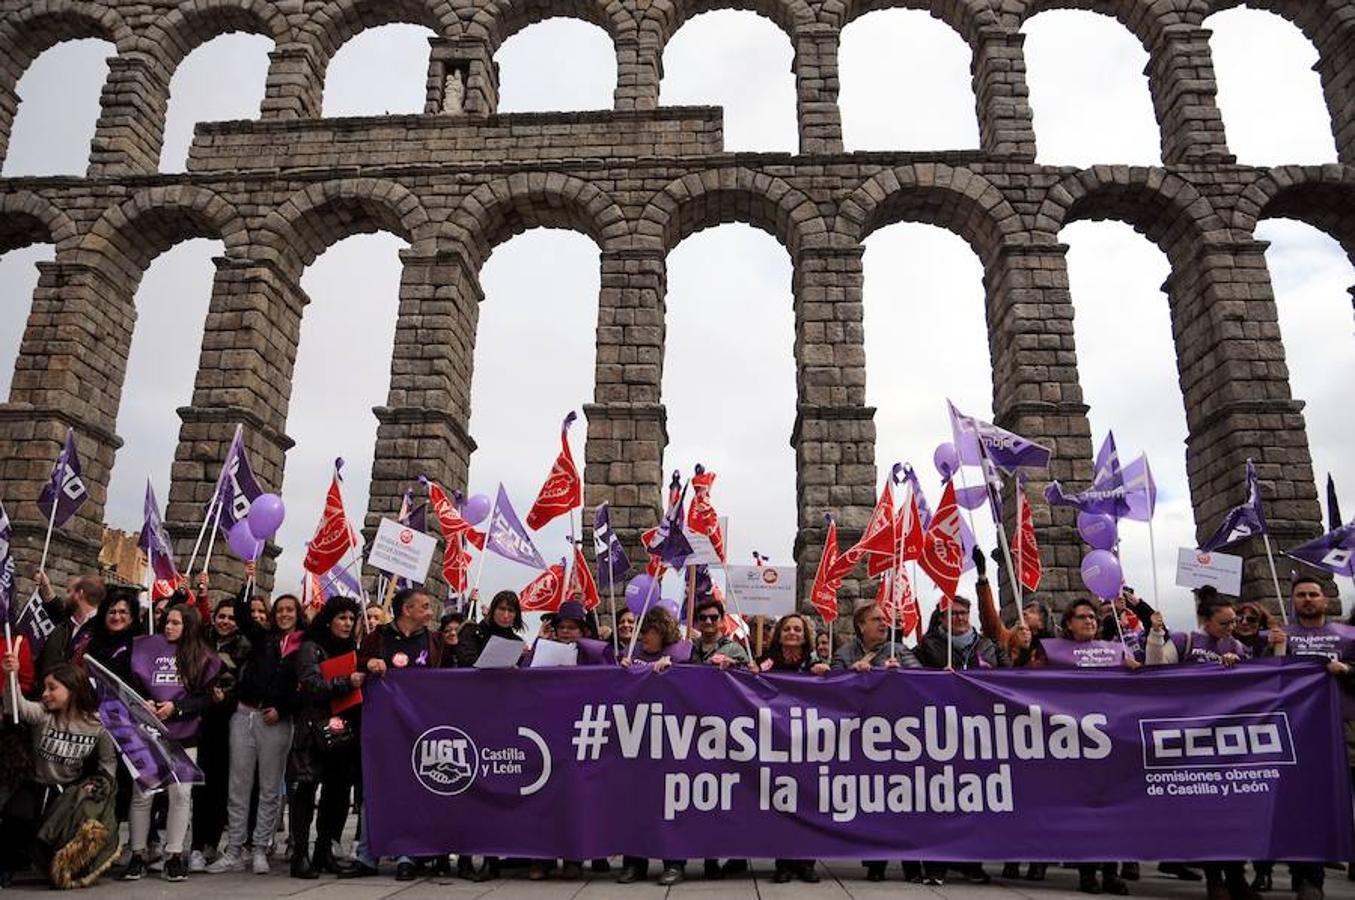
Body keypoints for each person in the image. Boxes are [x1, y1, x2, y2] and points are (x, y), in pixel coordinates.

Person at [208, 573, 302, 877]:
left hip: (276, 721)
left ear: (298, 614)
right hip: (244, 715)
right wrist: (247, 582)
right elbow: (241, 611)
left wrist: (283, 707)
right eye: (281, 610)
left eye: (291, 610)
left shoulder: (305, 645)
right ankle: (235, 848)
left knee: (269, 789)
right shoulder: (263, 637)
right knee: (239, 786)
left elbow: (305, 687)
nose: (285, 614)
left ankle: (261, 847)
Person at [122, 603, 221, 883]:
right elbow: (134, 685)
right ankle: (138, 854)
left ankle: (175, 854)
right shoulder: (146, 648)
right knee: (142, 795)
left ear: (188, 625)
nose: (168, 626)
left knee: (181, 795)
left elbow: (205, 698)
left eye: (176, 623)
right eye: (167, 621)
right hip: (148, 733)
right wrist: (147, 701)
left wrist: (177, 708)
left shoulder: (202, 656)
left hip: (184, 734)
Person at [352, 588, 444, 881]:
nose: (430, 612)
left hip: (418, 725)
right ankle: (367, 855)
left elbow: (448, 673)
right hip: (382, 722)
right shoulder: (378, 636)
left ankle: (407, 854)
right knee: (375, 787)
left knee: (413, 788)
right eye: (425, 606)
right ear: (407, 609)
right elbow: (358, 660)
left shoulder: (434, 639)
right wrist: (369, 664)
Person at [0, 657, 117, 888]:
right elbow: (17, 707)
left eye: (52, 688)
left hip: (68, 791)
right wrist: (11, 676)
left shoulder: (97, 724)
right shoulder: (43, 714)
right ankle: (6, 865)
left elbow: (108, 761)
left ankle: (49, 863)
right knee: (16, 818)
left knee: (60, 833)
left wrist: (101, 782)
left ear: (73, 690)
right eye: (45, 687)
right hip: (35, 784)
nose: (45, 693)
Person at [1277, 575, 1355, 900]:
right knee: (1306, 806)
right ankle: (1309, 879)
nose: (1307, 599)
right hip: (1298, 731)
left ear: (1324, 600)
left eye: (1313, 594)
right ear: (1293, 601)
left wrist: (1347, 671)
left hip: (1345, 729)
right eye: (1301, 595)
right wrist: (1276, 650)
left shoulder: (1348, 636)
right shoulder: (1282, 636)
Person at [287, 597, 364, 881]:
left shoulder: (351, 649)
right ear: (329, 619)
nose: (347, 623)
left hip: (342, 730)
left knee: (337, 794)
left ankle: (324, 850)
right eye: (341, 618)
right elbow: (312, 686)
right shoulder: (310, 647)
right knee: (306, 792)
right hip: (313, 730)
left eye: (350, 619)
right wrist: (348, 683)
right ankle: (300, 855)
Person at [616, 605, 690, 886]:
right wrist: (621, 669)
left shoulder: (680, 653)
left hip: (671, 740)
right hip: (636, 740)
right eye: (641, 631)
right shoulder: (631, 655)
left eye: (649, 631)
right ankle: (634, 862)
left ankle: (674, 861)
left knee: (671, 803)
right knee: (634, 804)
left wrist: (673, 669)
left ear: (662, 632)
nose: (643, 636)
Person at [755, 613, 824, 884]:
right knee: (780, 803)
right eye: (787, 629)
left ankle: (806, 863)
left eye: (797, 629)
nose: (792, 633)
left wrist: (823, 674)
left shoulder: (815, 662)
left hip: (807, 742)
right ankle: (783, 862)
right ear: (779, 633)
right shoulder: (766, 661)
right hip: (775, 741)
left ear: (805, 634)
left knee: (807, 802)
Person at [190, 597, 248, 872]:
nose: (225, 621)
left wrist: (226, 698)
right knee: (199, 788)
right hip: (197, 720)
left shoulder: (245, 646)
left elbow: (247, 685)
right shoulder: (201, 641)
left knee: (219, 787)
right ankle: (196, 846)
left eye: (232, 617)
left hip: (227, 722)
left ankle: (210, 844)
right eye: (221, 616)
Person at [1145, 588, 1249, 667]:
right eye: (1223, 623)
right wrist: (1155, 634)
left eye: (1234, 621)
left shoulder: (1236, 646)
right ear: (1206, 620)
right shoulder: (1184, 640)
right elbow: (1156, 668)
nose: (1231, 627)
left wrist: (1237, 663)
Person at [33, 570, 105, 675]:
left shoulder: (100, 631)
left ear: (80, 594)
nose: (66, 597)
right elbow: (55, 606)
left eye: (69, 591)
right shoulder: (67, 622)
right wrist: (45, 585)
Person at [916, 596, 1008, 672]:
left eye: (963, 613)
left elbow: (1012, 674)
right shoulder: (927, 647)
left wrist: (1023, 651)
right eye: (953, 613)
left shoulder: (990, 645)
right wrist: (939, 677)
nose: (960, 618)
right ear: (941, 618)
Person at [832, 603, 921, 672]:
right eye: (877, 619)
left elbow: (919, 678)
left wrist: (900, 672)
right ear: (861, 626)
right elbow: (834, 686)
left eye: (885, 620)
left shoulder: (899, 650)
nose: (884, 624)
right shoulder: (843, 654)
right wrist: (851, 673)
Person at [689, 599, 750, 669]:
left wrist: (733, 664)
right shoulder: (690, 647)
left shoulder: (734, 649)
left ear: (722, 621)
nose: (708, 621)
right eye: (703, 618)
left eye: (714, 618)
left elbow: (747, 674)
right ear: (697, 621)